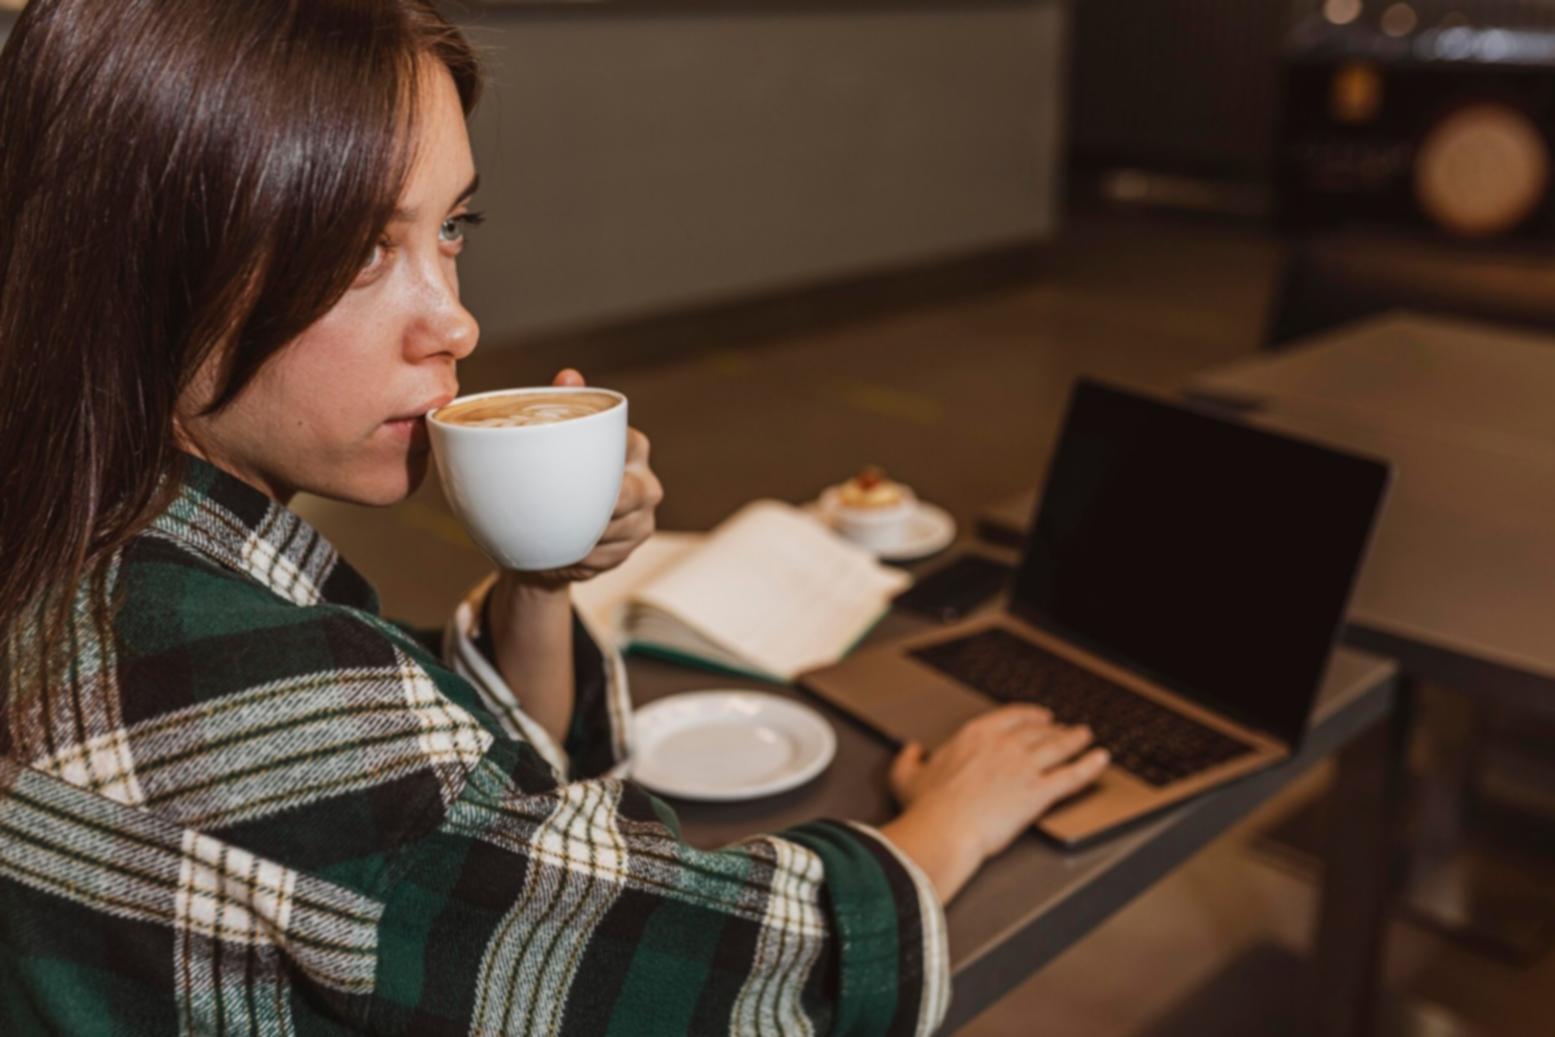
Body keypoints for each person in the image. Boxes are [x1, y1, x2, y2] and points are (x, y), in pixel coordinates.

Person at [0, 2, 1108, 1033]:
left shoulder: (86, 548)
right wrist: (947, 822)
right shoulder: (236, 686)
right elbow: (704, 959)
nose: (456, 322)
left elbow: (458, 838)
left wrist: (541, 574)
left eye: (452, 228)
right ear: (143, 263)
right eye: (359, 250)